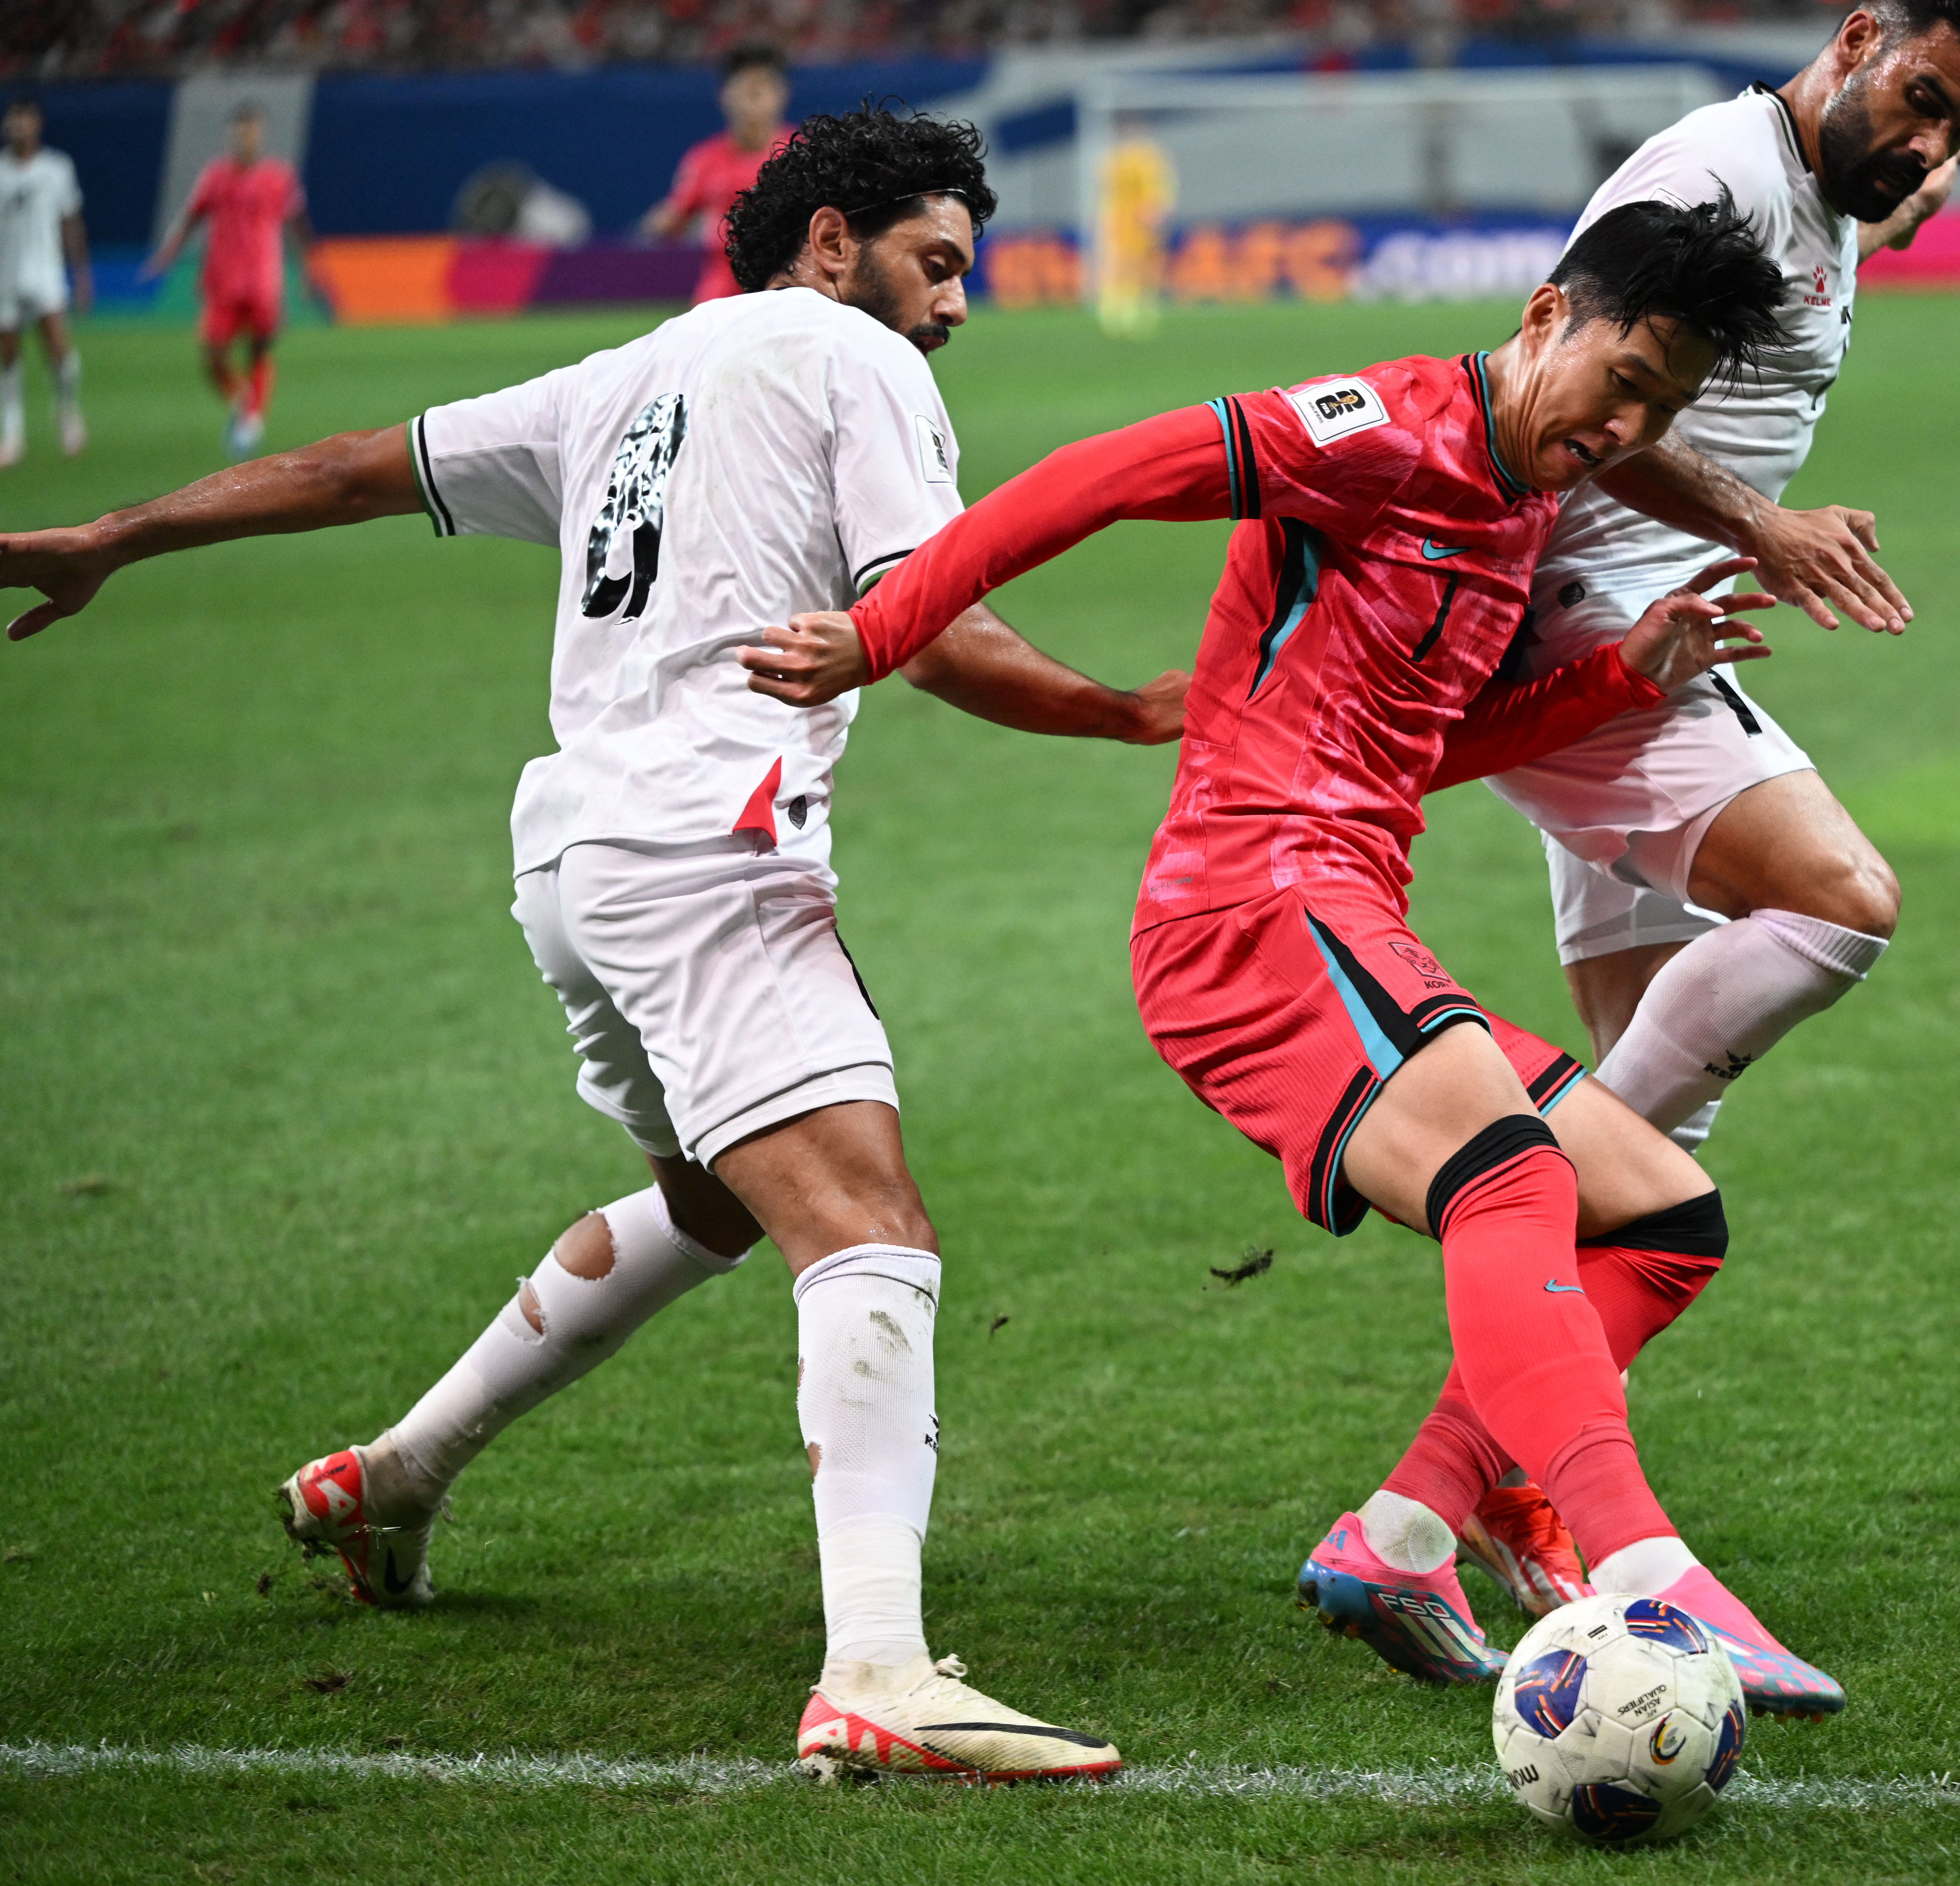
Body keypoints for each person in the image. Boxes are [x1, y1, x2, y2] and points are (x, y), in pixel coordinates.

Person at [0, 106, 1182, 1784]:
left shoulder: (616, 376)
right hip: (710, 852)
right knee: (868, 1226)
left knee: (716, 1195)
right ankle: (876, 1669)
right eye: (937, 261)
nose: (955, 305)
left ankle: (397, 1472)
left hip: (571, 860)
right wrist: (1137, 710)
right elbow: (929, 630)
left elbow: (352, 468)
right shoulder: (853, 364)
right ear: (833, 243)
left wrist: (124, 532)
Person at [743, 197, 1849, 1720]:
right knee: (1512, 1172)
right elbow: (1097, 475)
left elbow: (1416, 751)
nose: (1630, 424)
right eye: (1626, 378)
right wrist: (884, 628)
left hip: (1341, 898)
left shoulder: (1520, 497)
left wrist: (1616, 672)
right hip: (1249, 902)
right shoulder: (1374, 429)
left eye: (1664, 409)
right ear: (1545, 316)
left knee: (1659, 1213)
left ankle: (1404, 1530)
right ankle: (1644, 1564)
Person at [1453, 0, 1960, 1620]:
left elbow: (1853, 213)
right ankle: (1474, 1420)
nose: (1927, 145)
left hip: (1638, 637)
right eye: (1919, 98)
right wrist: (1762, 525)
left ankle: (1535, 1483)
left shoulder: (1829, 182)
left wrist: (1903, 194)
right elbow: (1564, 396)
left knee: (1660, 1145)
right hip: (1594, 637)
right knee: (1838, 900)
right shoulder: (1712, 182)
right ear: (1858, 34)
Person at [144, 99, 313, 459]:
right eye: (240, 130)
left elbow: (299, 226)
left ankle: (251, 418)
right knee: (212, 357)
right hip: (222, 281)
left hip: (264, 282)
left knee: (259, 352)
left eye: (252, 129)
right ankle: (243, 401)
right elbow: (191, 218)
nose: (245, 136)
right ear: (231, 135)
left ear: (261, 134)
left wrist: (310, 271)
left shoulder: (279, 177)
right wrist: (168, 254)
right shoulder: (215, 176)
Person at [642, 45, 795, 305]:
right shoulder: (705, 159)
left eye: (762, 88)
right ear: (724, 96)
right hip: (721, 288)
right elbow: (672, 220)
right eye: (745, 89)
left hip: (786, 283)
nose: (754, 98)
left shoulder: (799, 153)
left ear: (782, 94)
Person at [0, 97, 89, 467]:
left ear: (38, 123)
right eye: (14, 118)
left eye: (27, 118)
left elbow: (70, 222)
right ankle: (12, 432)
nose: (20, 125)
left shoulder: (57, 168)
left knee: (58, 349)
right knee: (8, 356)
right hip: (5, 276)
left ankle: (68, 414)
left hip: (45, 272)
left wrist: (81, 273)